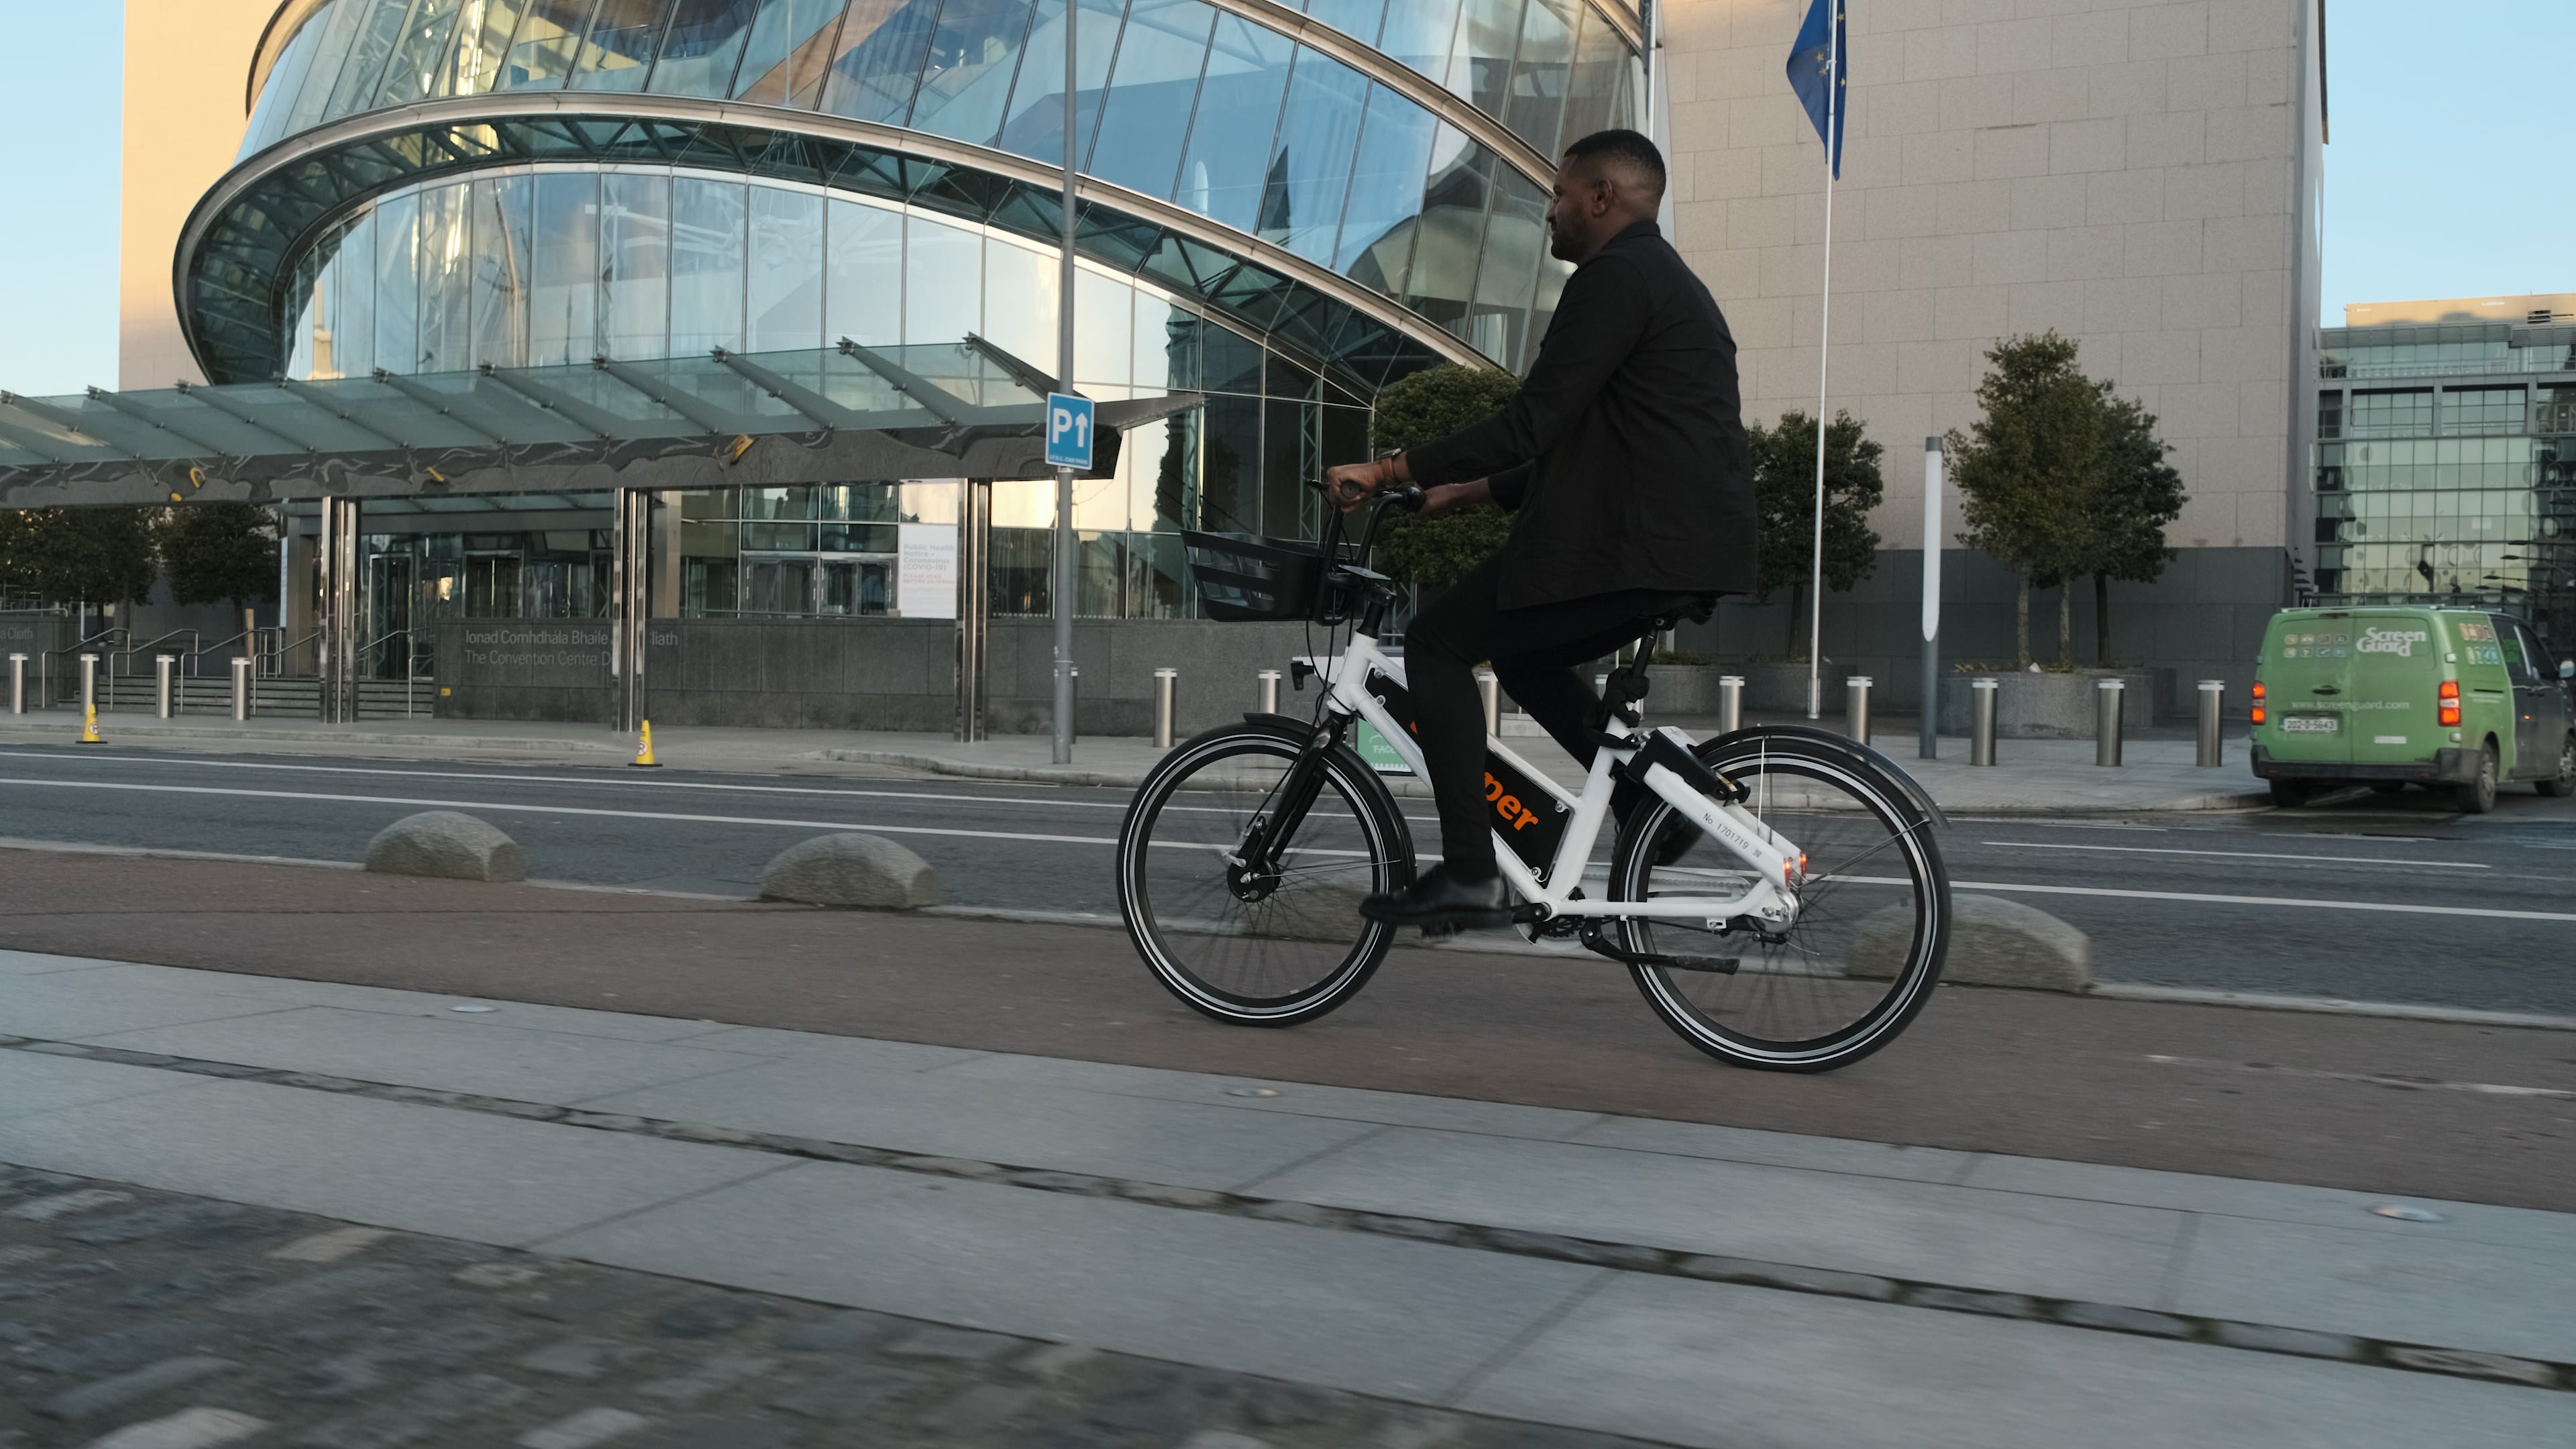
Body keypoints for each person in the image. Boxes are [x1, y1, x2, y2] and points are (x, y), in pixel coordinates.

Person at [1324, 128, 1757, 930]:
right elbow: (1585, 441)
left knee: (1437, 644)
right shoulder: (1662, 281)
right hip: (1679, 539)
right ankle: (1647, 802)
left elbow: (1532, 424)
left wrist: (1388, 469)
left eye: (1560, 194)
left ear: (1602, 198)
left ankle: (1468, 873)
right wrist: (1458, 495)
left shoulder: (1615, 279)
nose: (1549, 210)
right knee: (1521, 655)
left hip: (1642, 544)